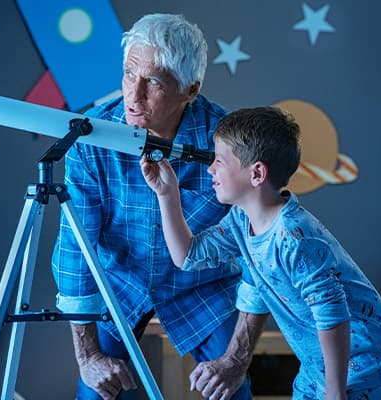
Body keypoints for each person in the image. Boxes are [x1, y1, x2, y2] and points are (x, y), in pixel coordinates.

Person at [51, 13, 252, 399]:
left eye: (154, 82)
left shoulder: (230, 144)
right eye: (129, 74)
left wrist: (237, 360)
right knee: (94, 392)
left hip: (203, 286)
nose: (133, 94)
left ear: (190, 89)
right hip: (120, 283)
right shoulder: (92, 137)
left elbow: (258, 255)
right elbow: (76, 250)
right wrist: (88, 355)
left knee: (234, 391)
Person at [141, 106, 381, 399]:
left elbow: (332, 315)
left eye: (219, 161)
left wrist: (335, 392)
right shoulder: (242, 220)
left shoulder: (295, 238)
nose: (210, 168)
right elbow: (188, 256)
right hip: (318, 365)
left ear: (257, 173)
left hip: (365, 364)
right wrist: (167, 194)